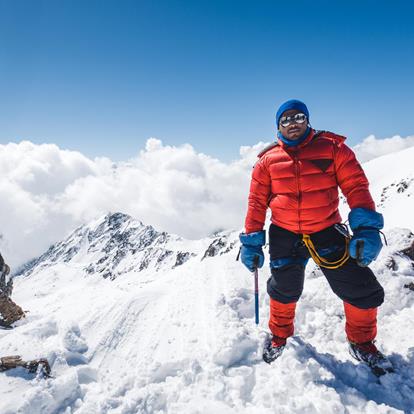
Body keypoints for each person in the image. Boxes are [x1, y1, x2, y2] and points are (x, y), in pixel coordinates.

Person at [239, 99, 391, 373]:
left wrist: (366, 228)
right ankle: (279, 336)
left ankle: (362, 343)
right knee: (284, 289)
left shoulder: (333, 149)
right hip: (285, 234)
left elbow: (356, 186)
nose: (292, 123)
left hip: (326, 230)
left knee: (360, 288)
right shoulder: (267, 161)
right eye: (285, 119)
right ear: (278, 126)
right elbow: (256, 203)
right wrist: (252, 243)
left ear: (308, 120)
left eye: (298, 117)